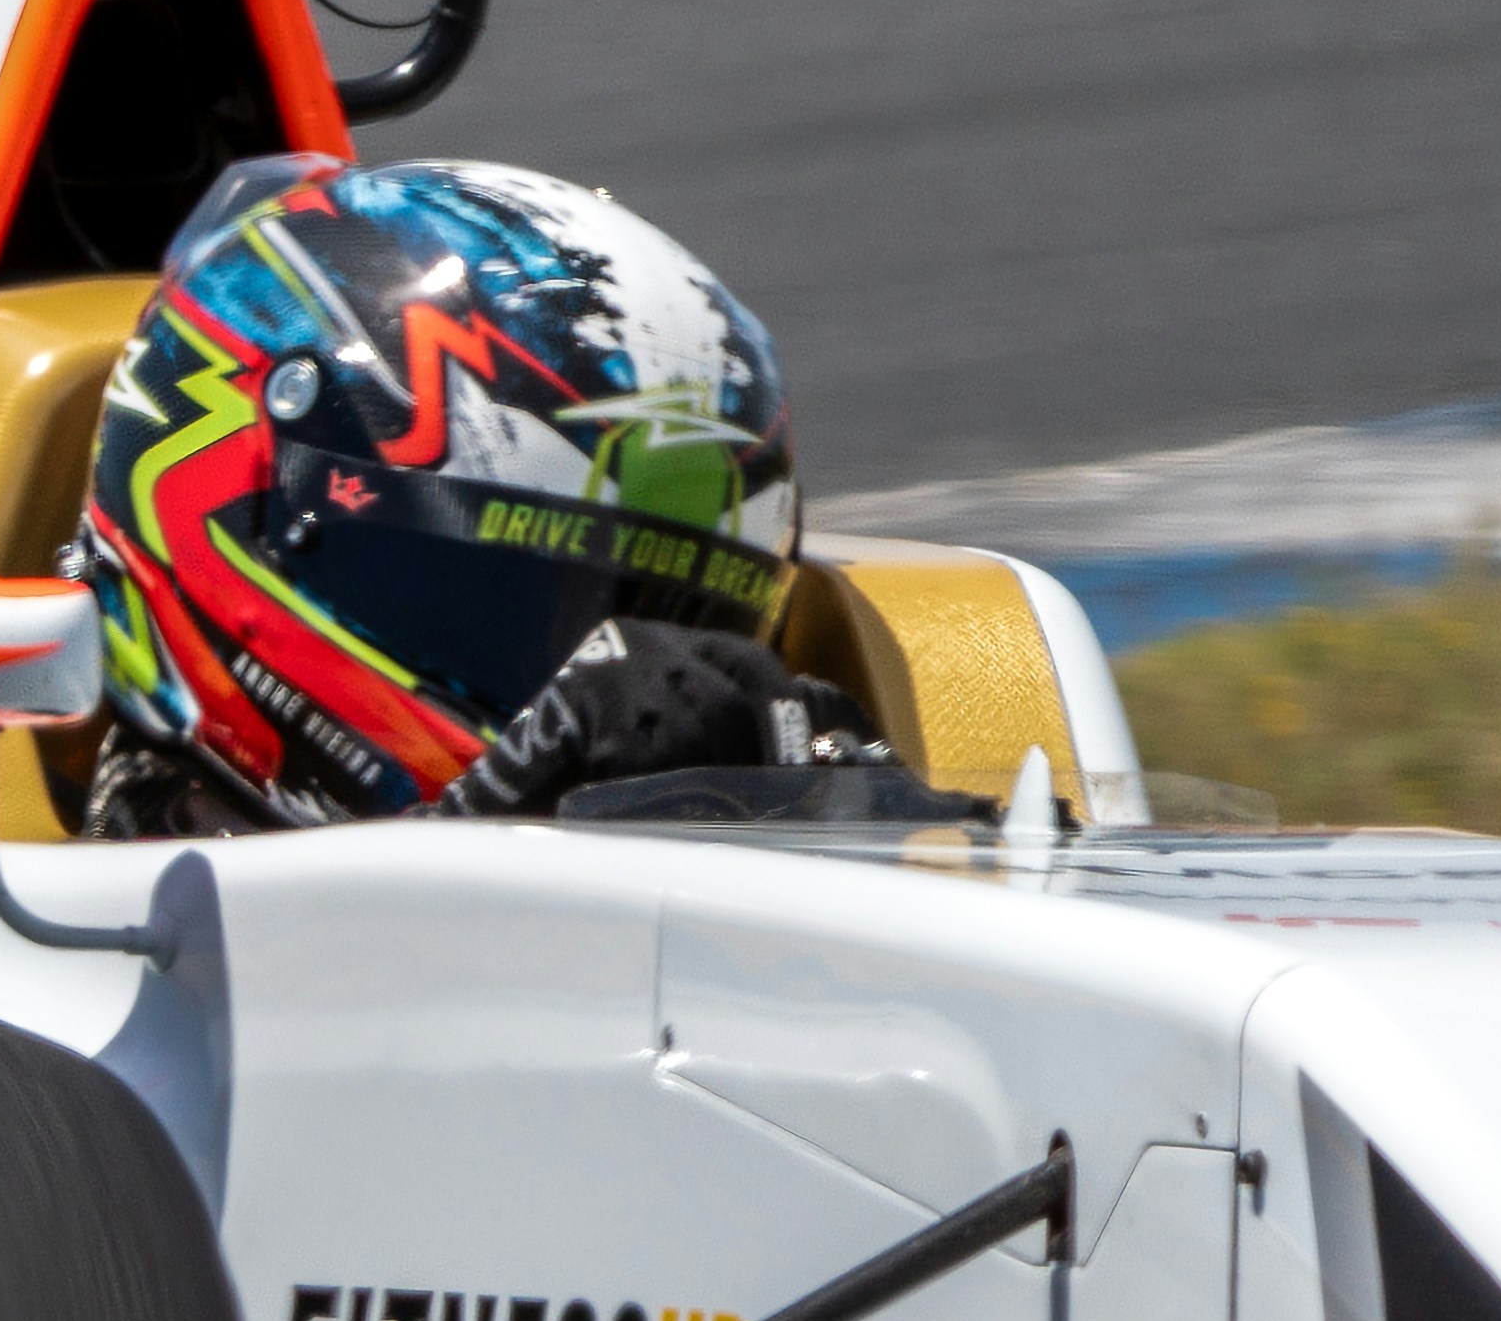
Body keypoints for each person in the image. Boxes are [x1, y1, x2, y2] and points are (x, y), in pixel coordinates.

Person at [61, 155, 893, 835]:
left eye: (694, 631)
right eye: (505, 605)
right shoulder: (43, 919)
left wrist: (865, 823)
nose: (635, 708)